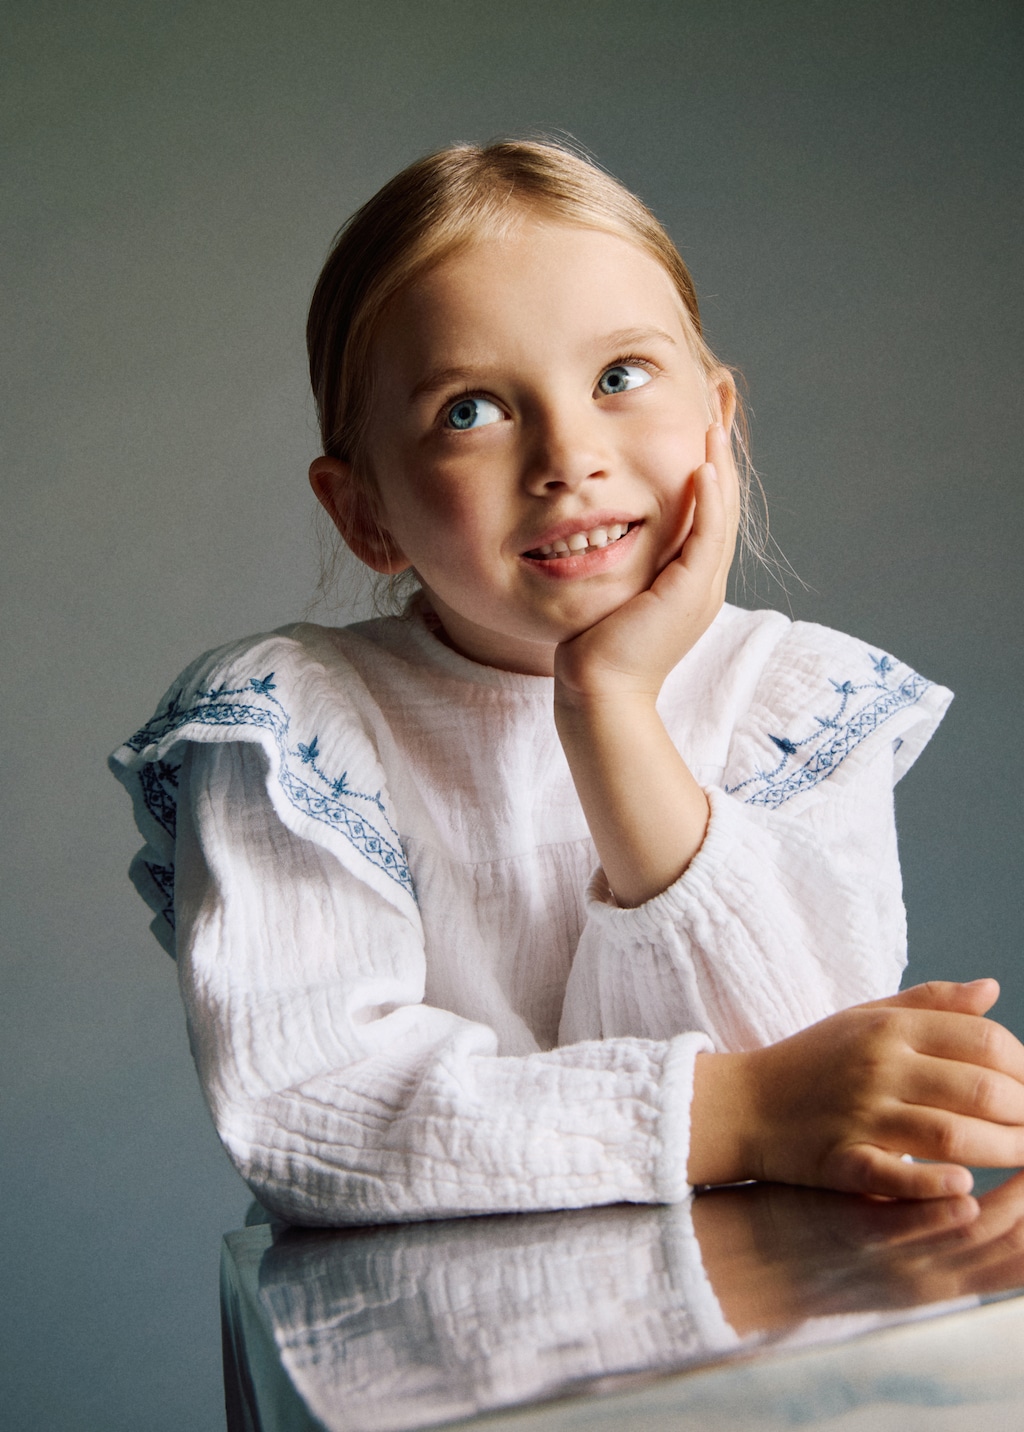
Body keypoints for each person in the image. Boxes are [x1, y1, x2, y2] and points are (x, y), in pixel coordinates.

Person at [110, 140, 1024, 1226]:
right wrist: (738, 1111)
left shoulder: (793, 698)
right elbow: (315, 1113)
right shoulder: (292, 731)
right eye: (470, 410)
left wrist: (611, 706)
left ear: (716, 426)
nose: (568, 455)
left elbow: (806, 1048)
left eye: (618, 377)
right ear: (365, 513)